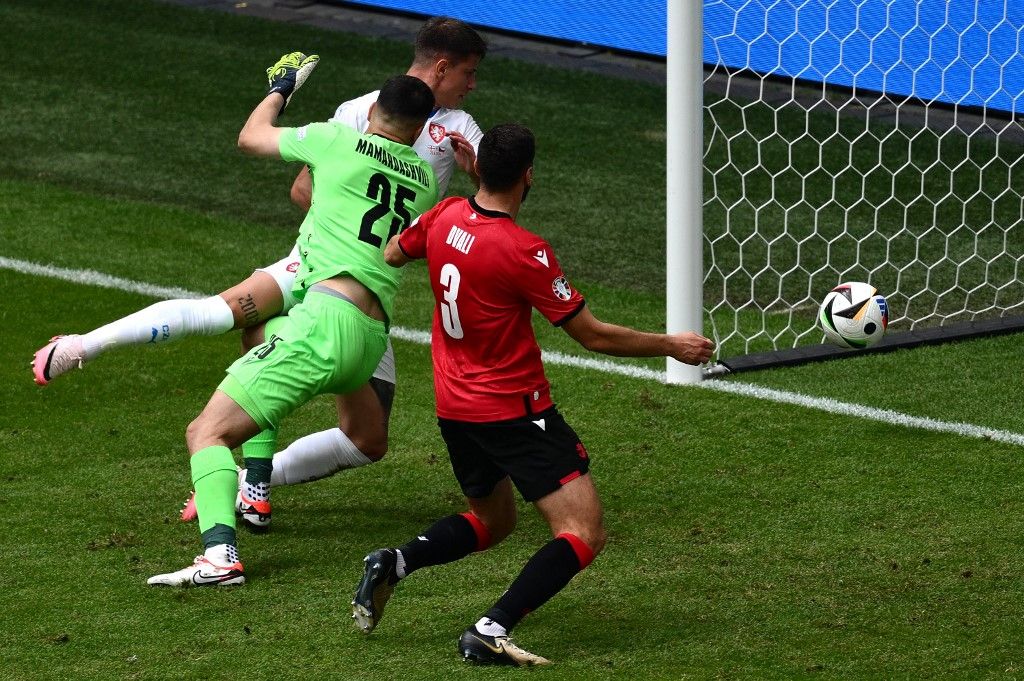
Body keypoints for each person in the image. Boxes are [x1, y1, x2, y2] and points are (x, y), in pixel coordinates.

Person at [32, 17, 488, 528]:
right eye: (468, 74)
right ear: (442, 66)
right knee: (223, 311)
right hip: (324, 266)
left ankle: (254, 479)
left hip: (366, 284)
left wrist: (473, 178)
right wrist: (348, 229)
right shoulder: (362, 113)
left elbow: (270, 150)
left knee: (368, 440)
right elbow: (305, 190)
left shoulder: (458, 129)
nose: (472, 86)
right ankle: (84, 346)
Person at [349, 123, 715, 664]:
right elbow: (591, 334)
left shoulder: (445, 215)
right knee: (584, 531)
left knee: (493, 521)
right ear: (527, 176)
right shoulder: (526, 251)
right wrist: (672, 345)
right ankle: (490, 628)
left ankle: (395, 562)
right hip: (515, 413)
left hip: (455, 409)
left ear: (479, 169)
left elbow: (395, 255)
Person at [147, 53, 438, 586]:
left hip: (325, 322)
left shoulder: (334, 139)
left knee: (206, 431)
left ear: (374, 107)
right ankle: (256, 485)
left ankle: (219, 557)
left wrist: (282, 88)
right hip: (371, 340)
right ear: (420, 130)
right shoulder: (424, 180)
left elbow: (251, 136)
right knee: (356, 428)